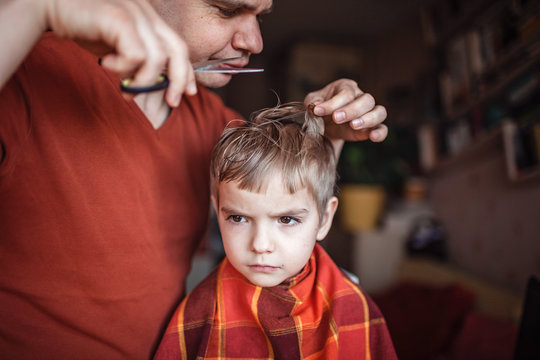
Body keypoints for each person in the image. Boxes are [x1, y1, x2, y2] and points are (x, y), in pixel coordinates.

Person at [0, 0, 388, 359]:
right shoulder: (26, 74)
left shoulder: (213, 122)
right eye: (226, 9)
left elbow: (296, 199)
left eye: (260, 15)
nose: (253, 40)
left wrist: (332, 136)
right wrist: (32, 9)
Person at [153, 103, 397, 359]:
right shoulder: (201, 310)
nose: (260, 245)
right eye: (238, 218)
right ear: (217, 210)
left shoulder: (350, 306)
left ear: (324, 219)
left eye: (287, 220)